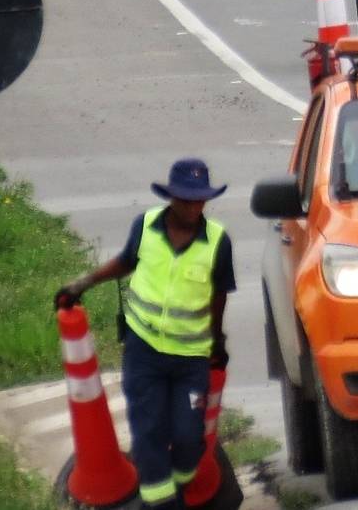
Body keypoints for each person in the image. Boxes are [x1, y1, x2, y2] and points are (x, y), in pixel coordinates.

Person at [54, 159, 236, 510]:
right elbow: (125, 261)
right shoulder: (147, 225)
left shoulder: (217, 241)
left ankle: (178, 483)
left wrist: (218, 340)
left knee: (187, 438)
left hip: (190, 359)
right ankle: (163, 504)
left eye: (200, 200)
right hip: (144, 352)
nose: (194, 207)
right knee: (148, 432)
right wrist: (82, 284)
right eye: (187, 200)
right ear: (171, 198)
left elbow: (218, 294)